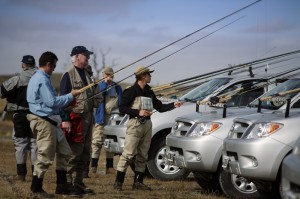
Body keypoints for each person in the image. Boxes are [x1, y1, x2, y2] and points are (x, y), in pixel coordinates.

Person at [113, 66, 183, 190]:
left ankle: (138, 183)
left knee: (143, 155)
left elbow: (160, 107)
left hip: (147, 125)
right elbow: (122, 108)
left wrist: (174, 105)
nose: (151, 76)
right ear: (143, 76)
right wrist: (138, 112)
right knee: (128, 154)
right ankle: (118, 182)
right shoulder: (131, 91)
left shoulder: (149, 92)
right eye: (149, 74)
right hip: (135, 124)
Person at [27, 51, 82, 198]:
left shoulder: (41, 78)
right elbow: (52, 102)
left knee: (64, 152)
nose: (54, 69)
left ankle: (62, 186)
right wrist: (71, 95)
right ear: (48, 64)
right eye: (54, 66)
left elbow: (52, 103)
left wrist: (68, 103)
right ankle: (36, 189)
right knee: (45, 155)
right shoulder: (42, 79)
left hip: (52, 121)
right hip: (44, 122)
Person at [60, 46, 102, 195]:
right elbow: (62, 101)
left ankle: (78, 182)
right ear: (77, 56)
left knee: (85, 152)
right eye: (85, 55)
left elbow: (95, 94)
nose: (88, 58)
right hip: (75, 120)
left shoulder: (87, 74)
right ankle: (67, 183)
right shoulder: (68, 75)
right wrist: (65, 120)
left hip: (88, 119)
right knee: (74, 152)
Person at [0, 55, 37, 181]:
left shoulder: (18, 78)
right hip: (37, 115)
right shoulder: (42, 77)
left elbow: (2, 92)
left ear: (23, 65)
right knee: (34, 144)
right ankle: (36, 175)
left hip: (20, 115)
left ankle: (21, 175)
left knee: (21, 144)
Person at [91, 66, 123, 174]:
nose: (109, 76)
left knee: (111, 141)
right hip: (101, 117)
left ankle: (109, 167)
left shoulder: (117, 87)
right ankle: (93, 166)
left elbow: (121, 100)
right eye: (106, 74)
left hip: (113, 119)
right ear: (103, 75)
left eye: (110, 75)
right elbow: (99, 96)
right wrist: (105, 84)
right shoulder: (100, 86)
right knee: (97, 141)